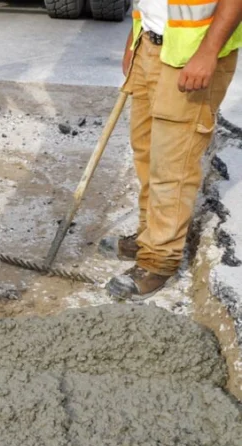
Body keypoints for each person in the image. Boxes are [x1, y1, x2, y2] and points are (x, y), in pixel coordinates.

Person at [101, 0, 242, 300]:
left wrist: (208, 52)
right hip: (149, 45)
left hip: (192, 54)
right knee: (146, 153)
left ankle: (158, 260)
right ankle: (148, 236)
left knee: (173, 165)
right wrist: (135, 38)